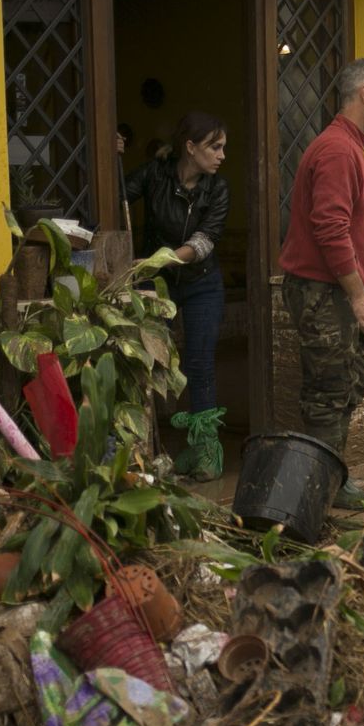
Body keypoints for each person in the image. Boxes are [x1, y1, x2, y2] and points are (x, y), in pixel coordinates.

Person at [278, 58, 364, 508]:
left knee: (354, 373)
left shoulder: (349, 147)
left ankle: (330, 475)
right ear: (363, 93)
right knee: (328, 391)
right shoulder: (337, 150)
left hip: (332, 292)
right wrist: (359, 296)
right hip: (322, 293)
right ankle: (321, 493)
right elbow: (330, 227)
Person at [122, 111, 230, 480]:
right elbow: (117, 192)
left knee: (199, 363)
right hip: (155, 285)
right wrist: (113, 155)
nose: (221, 155)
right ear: (190, 147)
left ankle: (204, 453)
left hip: (202, 282)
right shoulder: (156, 174)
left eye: (223, 148)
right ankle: (143, 452)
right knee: (149, 363)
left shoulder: (218, 189)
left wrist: (157, 260)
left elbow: (203, 242)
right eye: (214, 147)